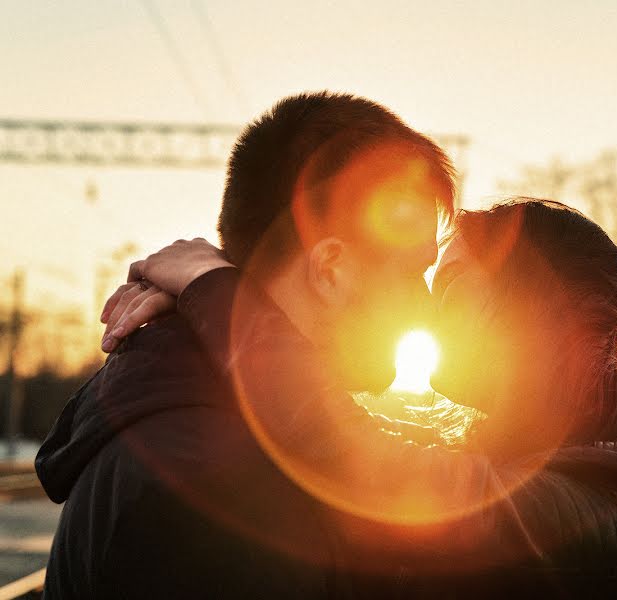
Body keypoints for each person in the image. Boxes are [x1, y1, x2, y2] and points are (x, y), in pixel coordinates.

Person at [99, 198, 617, 598]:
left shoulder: (604, 505)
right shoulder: (527, 459)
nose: (427, 311)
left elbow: (357, 458)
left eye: (450, 286)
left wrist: (213, 289)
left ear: (531, 311)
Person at [36, 91, 455, 598]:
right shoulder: (225, 486)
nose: (427, 305)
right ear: (330, 270)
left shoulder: (209, 413)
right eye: (413, 273)